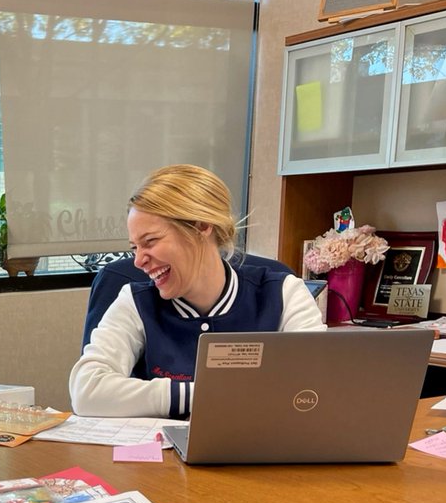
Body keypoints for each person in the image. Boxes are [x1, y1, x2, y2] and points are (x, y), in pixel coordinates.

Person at [70, 164, 325, 418]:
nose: (138, 261)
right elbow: (86, 390)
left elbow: (317, 387)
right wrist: (200, 394)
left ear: (202, 226)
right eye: (134, 247)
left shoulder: (284, 293)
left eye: (150, 241)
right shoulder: (134, 302)